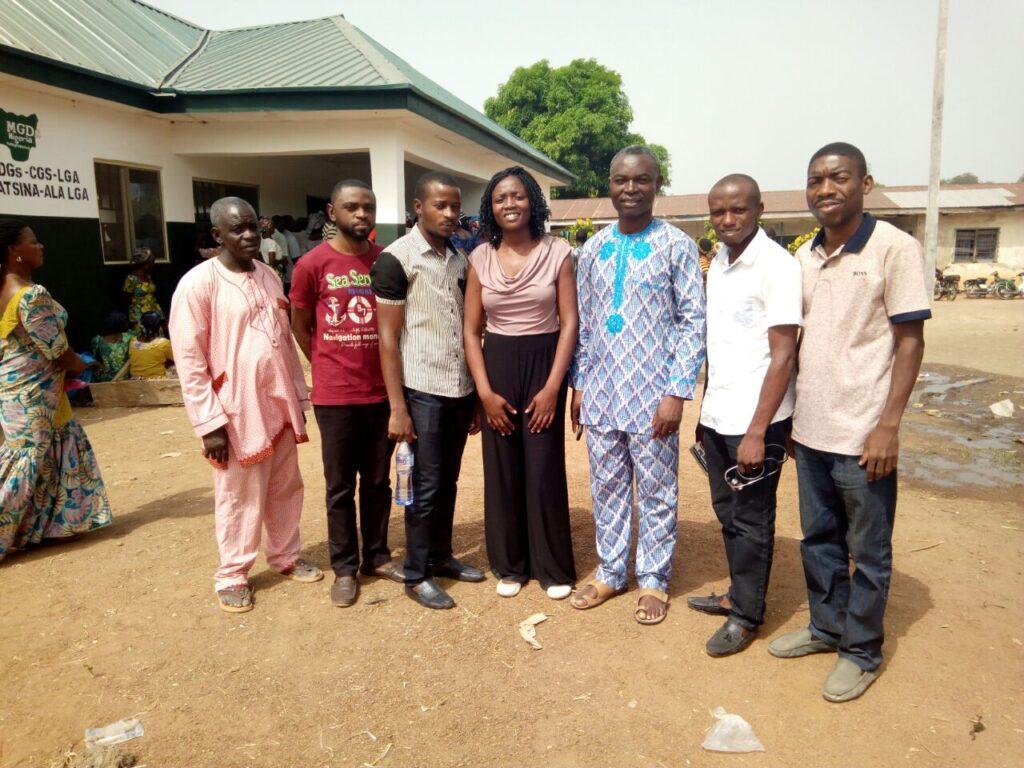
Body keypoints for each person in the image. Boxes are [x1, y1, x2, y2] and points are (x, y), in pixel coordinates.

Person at [767, 143, 929, 702]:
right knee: (819, 539)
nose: (825, 189)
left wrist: (888, 425)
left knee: (869, 549)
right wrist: (789, 416)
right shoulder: (805, 257)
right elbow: (797, 343)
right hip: (811, 431)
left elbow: (910, 341)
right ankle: (825, 628)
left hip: (865, 436)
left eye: (838, 177)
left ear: (865, 182)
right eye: (816, 180)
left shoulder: (894, 249)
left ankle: (861, 651)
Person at [569, 146, 706, 624]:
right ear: (609, 184)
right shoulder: (593, 249)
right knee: (605, 485)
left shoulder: (677, 246)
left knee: (656, 489)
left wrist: (677, 392)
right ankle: (610, 572)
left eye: (641, 180)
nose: (630, 189)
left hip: (653, 396)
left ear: (656, 184)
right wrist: (580, 385)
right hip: (603, 393)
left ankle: (653, 579)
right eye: (621, 180)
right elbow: (584, 324)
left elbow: (693, 323)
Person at [170, 197, 323, 614]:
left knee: (286, 485)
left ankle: (285, 556)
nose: (249, 235)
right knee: (239, 493)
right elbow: (189, 359)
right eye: (237, 229)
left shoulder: (270, 276)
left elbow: (286, 344)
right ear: (217, 236)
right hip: (234, 410)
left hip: (279, 404)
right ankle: (233, 573)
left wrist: (299, 395)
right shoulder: (199, 284)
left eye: (253, 226)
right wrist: (209, 423)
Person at [688, 174, 802, 656]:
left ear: (760, 209)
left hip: (758, 422)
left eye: (738, 210)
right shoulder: (719, 264)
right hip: (720, 415)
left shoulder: (777, 265)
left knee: (753, 519)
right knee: (727, 512)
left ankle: (746, 616)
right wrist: (705, 411)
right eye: (718, 212)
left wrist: (759, 431)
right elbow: (719, 346)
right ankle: (738, 593)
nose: (728, 220)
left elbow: (783, 355)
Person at [370, 171, 484, 610]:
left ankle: (440, 556)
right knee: (426, 484)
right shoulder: (396, 260)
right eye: (441, 205)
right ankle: (416, 574)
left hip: (456, 388)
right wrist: (398, 407)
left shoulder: (459, 257)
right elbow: (387, 341)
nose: (451, 214)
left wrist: (472, 395)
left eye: (455, 206)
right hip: (422, 391)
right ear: (418, 207)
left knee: (449, 481)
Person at [463, 166, 578, 601]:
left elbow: (569, 323)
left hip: (544, 362)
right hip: (497, 365)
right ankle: (510, 564)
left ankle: (552, 567)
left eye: (517, 196)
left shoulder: (558, 251)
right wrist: (485, 393)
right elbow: (471, 331)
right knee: (503, 468)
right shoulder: (479, 258)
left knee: (543, 466)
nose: (509, 204)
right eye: (499, 198)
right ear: (490, 208)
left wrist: (553, 387)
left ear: (532, 200)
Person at [290, 180, 404, 607]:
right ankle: (344, 567)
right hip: (336, 397)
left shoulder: (386, 261)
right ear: (332, 211)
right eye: (351, 207)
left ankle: (376, 555)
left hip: (380, 393)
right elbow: (301, 325)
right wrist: (324, 361)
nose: (361, 214)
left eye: (368, 207)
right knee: (340, 486)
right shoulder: (311, 265)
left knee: (377, 482)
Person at [0, 219, 112, 560]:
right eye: (33, 241)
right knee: (25, 463)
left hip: (18, 388)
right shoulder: (31, 295)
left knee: (56, 447)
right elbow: (56, 350)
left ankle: (51, 526)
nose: (41, 246)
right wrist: (86, 365)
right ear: (14, 251)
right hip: (33, 394)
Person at [89, 310, 136, 382]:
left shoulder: (98, 340)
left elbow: (95, 360)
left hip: (109, 380)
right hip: (118, 379)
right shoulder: (129, 337)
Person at [122, 247, 163, 328]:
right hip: (139, 315)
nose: (153, 264)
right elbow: (126, 299)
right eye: (152, 262)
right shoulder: (131, 279)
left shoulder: (148, 277)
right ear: (145, 264)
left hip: (154, 313)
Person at [128, 311, 174, 379]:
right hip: (158, 383)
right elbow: (177, 359)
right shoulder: (163, 343)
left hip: (135, 382)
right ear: (159, 327)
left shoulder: (133, 342)